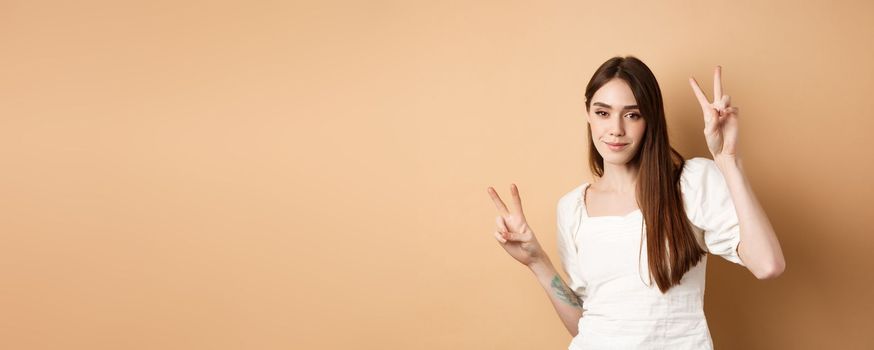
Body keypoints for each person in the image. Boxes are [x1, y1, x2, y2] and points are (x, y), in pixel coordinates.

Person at [486, 56, 785, 349]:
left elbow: (767, 265)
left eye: (632, 114)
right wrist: (537, 261)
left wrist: (728, 160)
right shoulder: (572, 208)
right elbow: (586, 326)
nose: (616, 128)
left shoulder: (691, 183)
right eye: (603, 113)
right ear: (588, 113)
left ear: (650, 118)